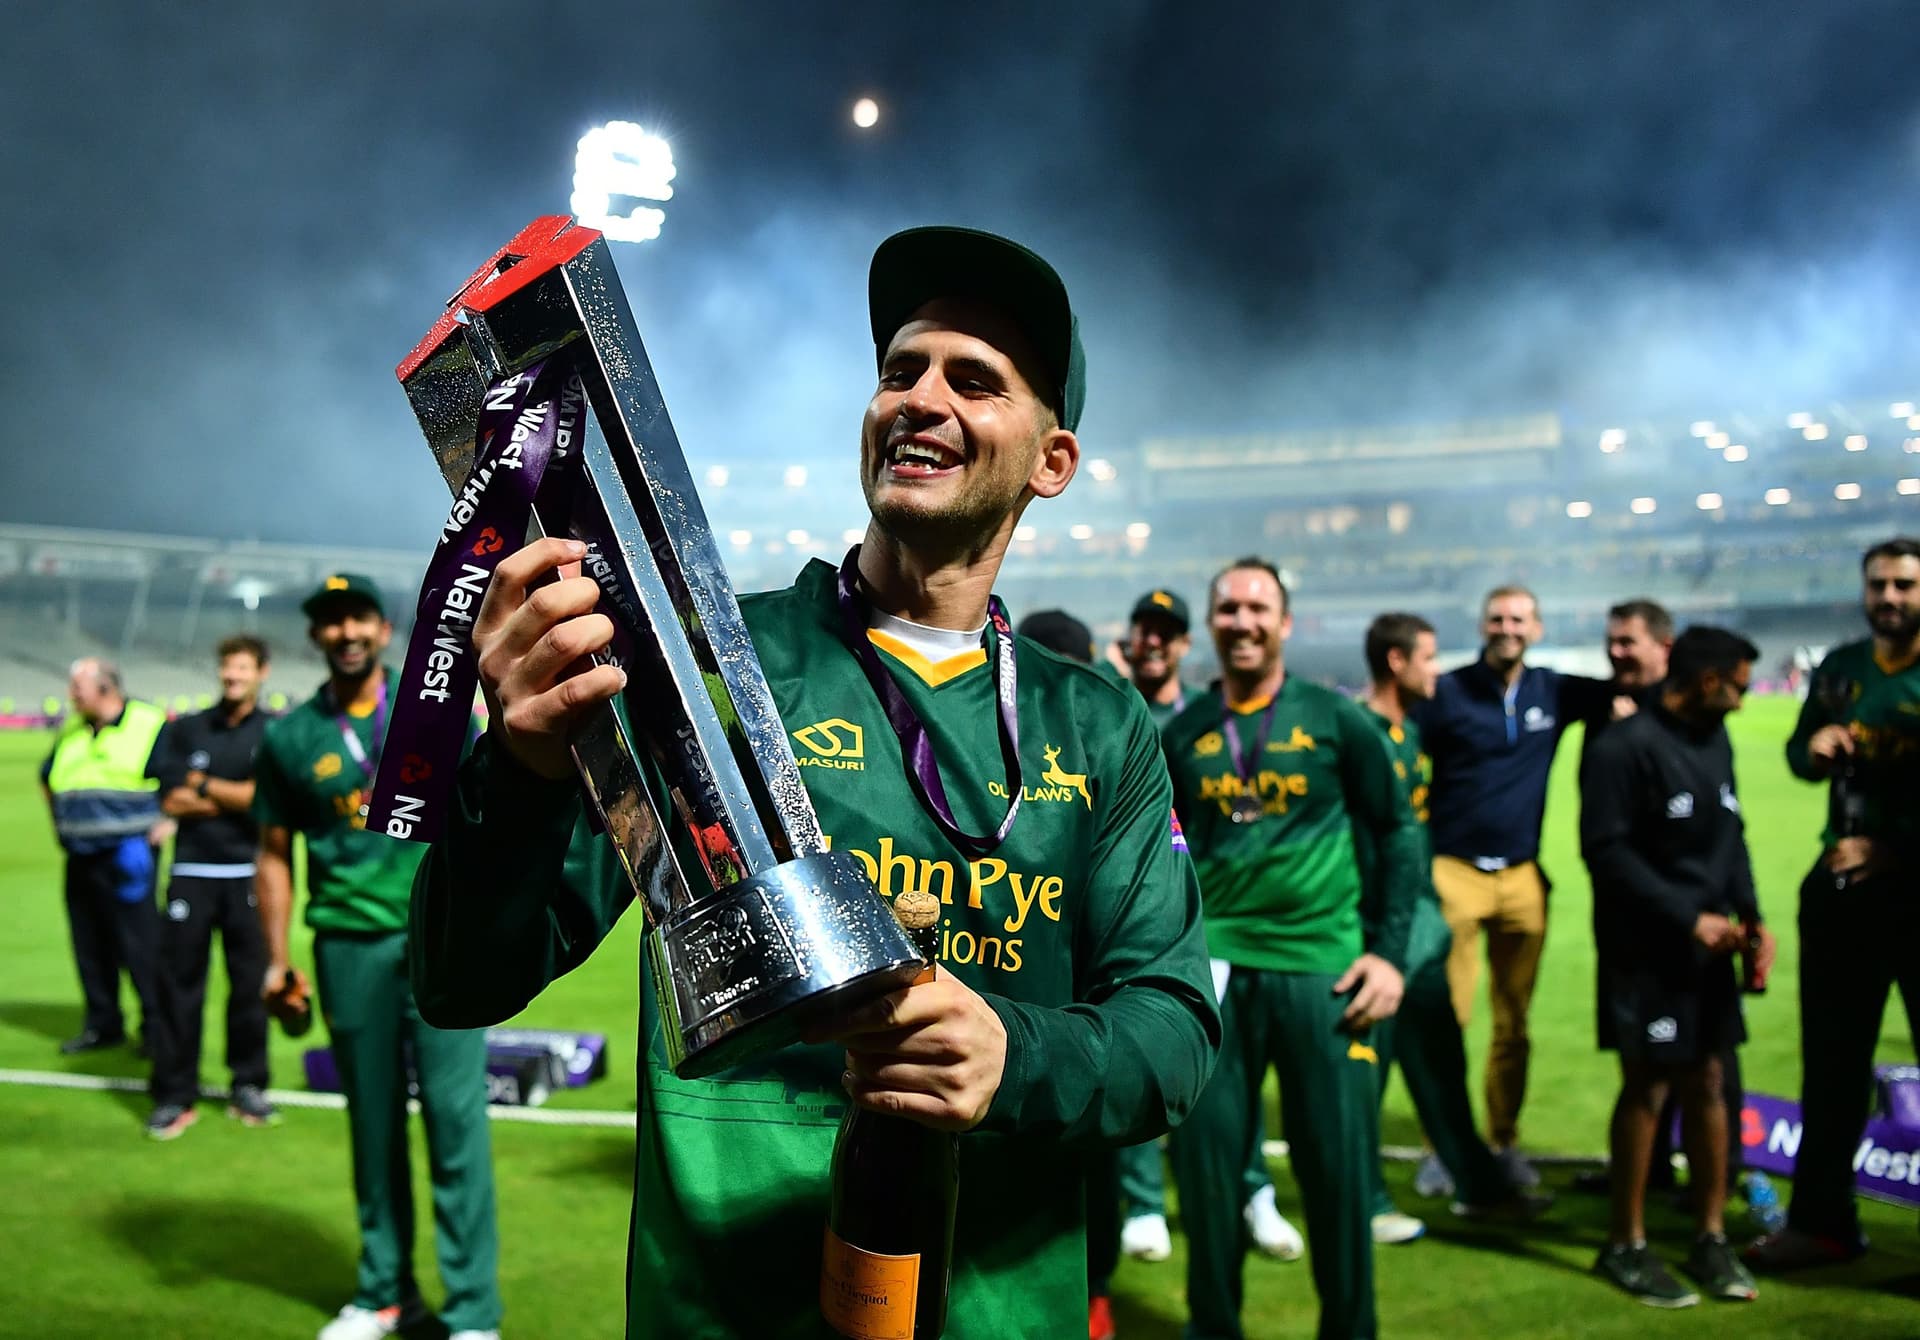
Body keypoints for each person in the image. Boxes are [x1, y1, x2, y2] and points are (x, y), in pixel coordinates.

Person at [411, 226, 1220, 1339]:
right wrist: (523, 765)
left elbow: (1173, 1028)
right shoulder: (709, 667)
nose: (920, 398)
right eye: (900, 370)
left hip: (998, 1307)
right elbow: (465, 981)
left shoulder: (1102, 722)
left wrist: (1012, 1054)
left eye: (975, 380)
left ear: (1052, 460)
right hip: (728, 1310)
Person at [1165, 558, 1420, 1340]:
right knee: (1207, 1182)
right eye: (1228, 608)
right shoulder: (1182, 735)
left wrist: (1389, 955)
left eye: (1258, 607)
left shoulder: (1338, 720)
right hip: (1212, 978)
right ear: (1211, 623)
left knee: (1340, 1178)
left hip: (1324, 972)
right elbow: (1160, 860)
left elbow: (1398, 835)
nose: (1242, 621)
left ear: (1285, 623)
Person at [253, 574, 502, 1340]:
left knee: (457, 1125)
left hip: (443, 943)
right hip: (348, 949)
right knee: (373, 1126)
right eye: (330, 623)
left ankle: (471, 1315)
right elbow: (271, 854)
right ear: (317, 637)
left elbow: (487, 808)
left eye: (357, 617)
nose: (346, 632)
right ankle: (384, 1291)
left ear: (382, 627)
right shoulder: (291, 736)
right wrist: (273, 961)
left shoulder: (435, 711)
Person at [1582, 626, 1775, 1306]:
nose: (1745, 701)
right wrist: (1687, 918)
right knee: (1650, 1086)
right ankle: (1625, 1244)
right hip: (1645, 952)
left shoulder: (1713, 738)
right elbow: (1604, 853)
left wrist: (1752, 920)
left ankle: (1710, 1235)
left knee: (1712, 1078)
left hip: (1711, 950)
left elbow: (1733, 833)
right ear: (1704, 681)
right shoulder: (1620, 749)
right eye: (1740, 687)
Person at [1109, 586, 1300, 1269]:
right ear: (1130, 637)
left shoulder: (1200, 721)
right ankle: (1143, 1204)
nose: (1154, 640)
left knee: (1223, 1072)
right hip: (1123, 918)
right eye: (1145, 628)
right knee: (1134, 1059)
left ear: (1184, 645)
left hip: (1208, 921)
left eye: (1168, 631)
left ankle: (1252, 1190)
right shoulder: (1106, 710)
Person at [1748, 536, 1920, 1272]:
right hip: (1845, 891)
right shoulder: (1844, 668)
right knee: (1832, 1066)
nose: (1890, 598)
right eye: (1879, 584)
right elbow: (1794, 755)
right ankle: (1821, 1223)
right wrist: (1813, 749)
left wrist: (1894, 853)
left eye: (1906, 586)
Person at [1358, 612, 1549, 1240]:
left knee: (1441, 1068)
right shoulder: (1357, 734)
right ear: (1397, 662)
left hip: (1423, 928)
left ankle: (1479, 1188)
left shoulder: (1411, 732)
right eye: (1429, 658)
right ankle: (1367, 1201)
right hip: (1376, 936)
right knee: (1366, 1073)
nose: (1436, 672)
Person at [1414, 585, 1611, 1181]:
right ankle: (1443, 1147)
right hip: (1454, 872)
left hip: (1524, 877)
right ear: (1482, 625)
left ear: (1537, 627)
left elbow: (1635, 693)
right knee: (1450, 1019)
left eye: (1518, 619)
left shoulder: (1555, 690)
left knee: (1514, 1023)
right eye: (1497, 618)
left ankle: (1502, 1140)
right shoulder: (1449, 691)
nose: (1506, 627)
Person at [143, 635, 278, 1139]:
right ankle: (175, 1094)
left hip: (250, 873)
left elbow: (263, 800)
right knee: (178, 987)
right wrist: (234, 795)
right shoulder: (186, 729)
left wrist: (203, 786)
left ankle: (248, 1086)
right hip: (192, 873)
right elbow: (170, 801)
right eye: (227, 668)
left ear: (262, 672)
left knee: (249, 988)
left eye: (242, 668)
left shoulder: (274, 732)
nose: (232, 677)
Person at [40, 657, 170, 1055]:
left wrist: (166, 823)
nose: (71, 695)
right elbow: (47, 777)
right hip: (81, 854)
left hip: (129, 854)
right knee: (89, 944)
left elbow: (180, 779)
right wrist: (60, 826)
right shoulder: (73, 732)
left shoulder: (149, 723)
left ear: (105, 687)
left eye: (77, 688)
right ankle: (103, 1022)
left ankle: (156, 1026)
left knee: (140, 945)